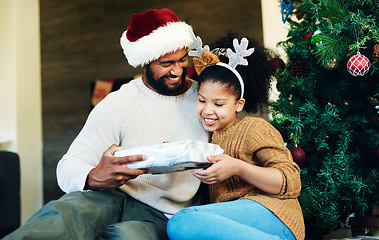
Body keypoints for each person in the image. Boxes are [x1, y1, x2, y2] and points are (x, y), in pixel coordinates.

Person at [4, 8, 209, 240]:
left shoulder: (205, 99)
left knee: (126, 237)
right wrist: (93, 176)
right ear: (145, 62)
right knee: (64, 212)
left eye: (183, 60)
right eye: (166, 63)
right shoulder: (118, 103)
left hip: (163, 215)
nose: (177, 71)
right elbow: (68, 165)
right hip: (112, 198)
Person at [166, 33, 305, 240]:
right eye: (202, 101)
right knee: (183, 226)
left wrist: (237, 167)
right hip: (239, 227)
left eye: (219, 104)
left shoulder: (255, 128)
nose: (207, 111)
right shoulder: (206, 137)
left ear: (238, 104)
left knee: (181, 222)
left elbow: (291, 182)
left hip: (275, 216)